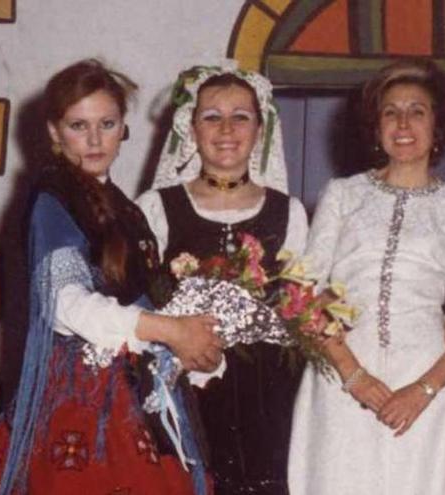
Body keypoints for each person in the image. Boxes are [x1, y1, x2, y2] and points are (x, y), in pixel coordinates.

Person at [0, 59, 220, 495]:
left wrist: (192, 346)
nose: (96, 139)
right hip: (80, 402)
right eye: (79, 125)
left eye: (107, 123)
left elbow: (146, 301)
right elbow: (64, 305)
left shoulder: (124, 207)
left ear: (123, 128)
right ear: (55, 133)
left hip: (134, 390)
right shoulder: (53, 198)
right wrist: (170, 330)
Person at [287, 58, 445, 494]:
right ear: (375, 126)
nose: (403, 122)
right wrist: (352, 374)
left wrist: (423, 391)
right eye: (390, 111)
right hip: (339, 376)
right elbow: (302, 294)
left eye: (417, 110)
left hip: (426, 382)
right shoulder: (343, 195)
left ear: (439, 126)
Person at [136, 60, 307, 495]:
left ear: (260, 130)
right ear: (190, 129)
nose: (226, 129)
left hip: (267, 398)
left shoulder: (289, 212)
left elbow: (301, 308)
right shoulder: (157, 207)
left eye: (240, 117)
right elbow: (138, 302)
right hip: (183, 384)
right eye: (212, 116)